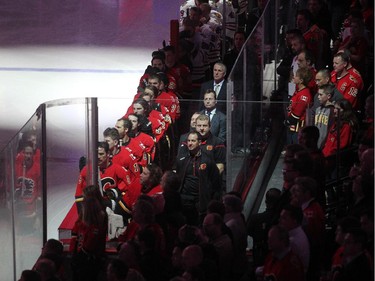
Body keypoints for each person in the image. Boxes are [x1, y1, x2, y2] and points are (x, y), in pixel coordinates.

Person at [175, 131, 221, 225]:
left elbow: (216, 181)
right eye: (188, 141)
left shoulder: (208, 160)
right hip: (184, 199)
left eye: (193, 140)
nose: (190, 143)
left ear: (199, 142)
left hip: (200, 200)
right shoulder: (181, 159)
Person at [74, 142, 132, 216]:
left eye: (101, 154)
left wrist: (116, 200)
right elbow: (79, 193)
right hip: (93, 210)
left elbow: (129, 188)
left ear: (108, 154)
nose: (98, 157)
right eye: (96, 154)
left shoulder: (118, 169)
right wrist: (82, 214)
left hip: (112, 210)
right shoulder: (86, 170)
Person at [70, 197, 107, 281]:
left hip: (88, 264)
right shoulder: (84, 224)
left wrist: (76, 258)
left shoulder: (95, 228)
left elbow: (88, 247)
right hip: (82, 261)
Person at [279, 204, 310, 273]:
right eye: (280, 218)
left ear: (295, 220)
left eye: (284, 218)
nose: (280, 221)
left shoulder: (293, 242)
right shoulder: (299, 234)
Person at [202, 212, 234, 281]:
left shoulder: (224, 243)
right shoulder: (212, 238)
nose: (205, 228)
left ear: (218, 225)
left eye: (208, 225)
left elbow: (211, 253)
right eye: (204, 225)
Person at [285, 67, 312, 145]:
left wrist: (288, 121)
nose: (294, 77)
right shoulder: (298, 91)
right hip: (292, 127)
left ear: (301, 80)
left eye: (296, 76)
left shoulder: (304, 95)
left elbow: (297, 115)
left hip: (297, 129)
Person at [314, 83, 335, 149]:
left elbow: (330, 130)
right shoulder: (317, 109)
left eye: (321, 94)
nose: (318, 97)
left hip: (325, 146)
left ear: (328, 96)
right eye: (318, 94)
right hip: (315, 143)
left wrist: (325, 144)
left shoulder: (333, 111)